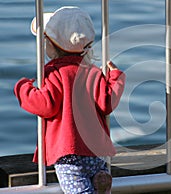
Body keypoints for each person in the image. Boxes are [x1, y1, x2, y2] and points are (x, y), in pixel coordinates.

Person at [14, 6, 125, 194]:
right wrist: (116, 78)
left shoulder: (53, 73)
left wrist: (23, 88)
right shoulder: (93, 72)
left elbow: (45, 105)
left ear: (50, 45)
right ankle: (100, 179)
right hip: (96, 151)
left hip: (68, 153)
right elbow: (106, 103)